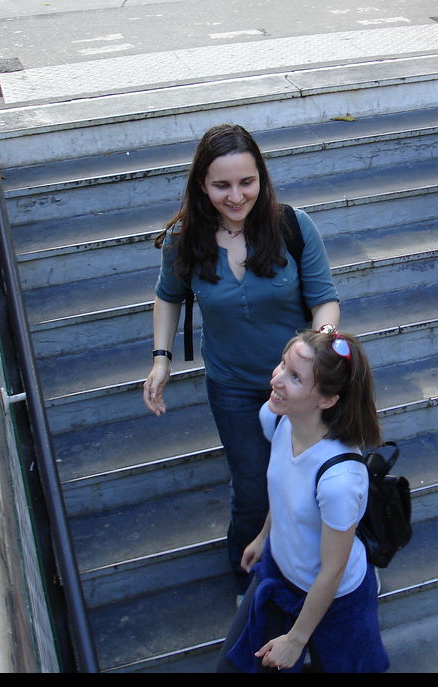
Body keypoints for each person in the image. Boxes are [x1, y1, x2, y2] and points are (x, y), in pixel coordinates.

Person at [143, 123, 341, 597]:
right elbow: (168, 296)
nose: (236, 196)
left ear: (262, 178)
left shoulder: (292, 225)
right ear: (201, 186)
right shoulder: (185, 240)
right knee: (252, 488)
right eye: (221, 185)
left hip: (299, 386)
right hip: (232, 385)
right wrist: (161, 357)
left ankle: (316, 569)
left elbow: (325, 300)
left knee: (311, 478)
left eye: (246, 182)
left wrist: (320, 345)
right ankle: (249, 579)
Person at [216, 330, 390, 673]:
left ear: (326, 400)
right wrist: (265, 537)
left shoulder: (340, 479)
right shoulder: (278, 417)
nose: (276, 379)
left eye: (295, 377)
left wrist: (296, 640)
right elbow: (284, 489)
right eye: (283, 364)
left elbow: (332, 570)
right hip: (280, 574)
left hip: (337, 601)